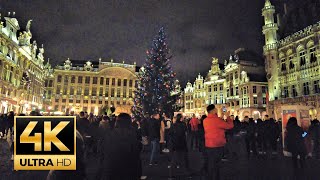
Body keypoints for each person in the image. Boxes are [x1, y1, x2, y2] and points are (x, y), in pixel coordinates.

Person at [98, 113, 140, 180]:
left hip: (111, 170)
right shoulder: (133, 136)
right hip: (128, 171)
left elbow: (102, 154)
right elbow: (136, 157)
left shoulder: (109, 135)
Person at [203, 104, 234, 180]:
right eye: (215, 109)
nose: (217, 110)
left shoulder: (205, 120)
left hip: (208, 144)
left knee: (211, 163)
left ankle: (209, 176)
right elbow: (230, 126)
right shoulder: (217, 120)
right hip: (217, 145)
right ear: (213, 110)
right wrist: (227, 117)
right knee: (216, 164)